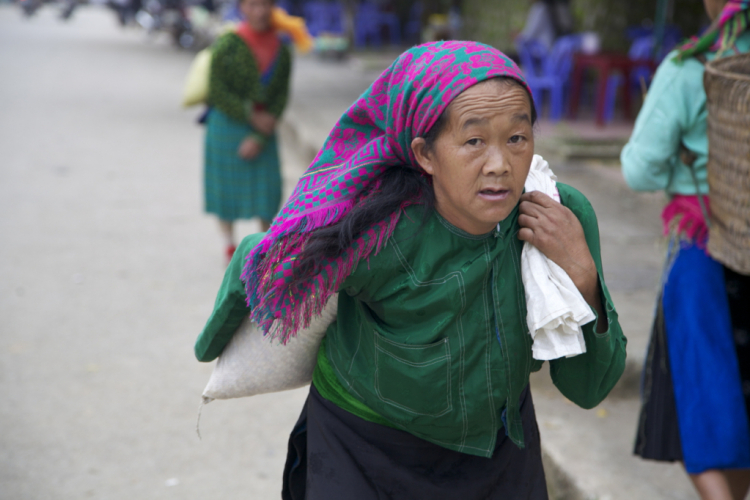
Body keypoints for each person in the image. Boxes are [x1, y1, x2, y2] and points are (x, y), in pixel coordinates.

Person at [196, 41, 627, 498]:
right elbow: (262, 258)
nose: (500, 164)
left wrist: (582, 276)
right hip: (362, 446)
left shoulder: (559, 220)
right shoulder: (375, 229)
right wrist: (212, 343)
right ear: (424, 154)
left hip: (497, 451)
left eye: (517, 138)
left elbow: (588, 389)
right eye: (474, 140)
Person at [621, 1, 750, 499]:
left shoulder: (690, 68)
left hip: (705, 249)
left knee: (699, 401)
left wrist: (682, 161)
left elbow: (638, 170)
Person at [204, 0, 291, 261]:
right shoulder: (228, 43)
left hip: (264, 125)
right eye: (253, 4)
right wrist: (250, 115)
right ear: (242, 8)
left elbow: (280, 95)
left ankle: (264, 249)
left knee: (267, 189)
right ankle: (229, 247)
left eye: (266, 4)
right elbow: (216, 90)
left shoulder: (282, 49)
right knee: (225, 190)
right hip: (227, 125)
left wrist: (261, 132)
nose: (260, 11)